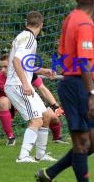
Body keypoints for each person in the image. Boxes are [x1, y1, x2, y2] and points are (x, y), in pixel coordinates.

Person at [35, 0, 94, 182]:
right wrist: (92, 93)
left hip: (76, 82)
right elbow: (83, 60)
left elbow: (63, 51)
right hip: (78, 84)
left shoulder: (71, 18)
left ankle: (49, 173)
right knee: (82, 143)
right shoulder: (84, 22)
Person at [4, 11, 59, 163]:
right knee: (36, 120)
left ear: (25, 22)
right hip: (17, 84)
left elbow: (24, 63)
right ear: (41, 25)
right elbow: (16, 61)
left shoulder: (24, 36)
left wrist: (43, 71)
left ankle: (40, 154)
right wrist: (25, 83)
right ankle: (23, 156)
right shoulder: (29, 39)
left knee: (47, 115)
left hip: (20, 83)